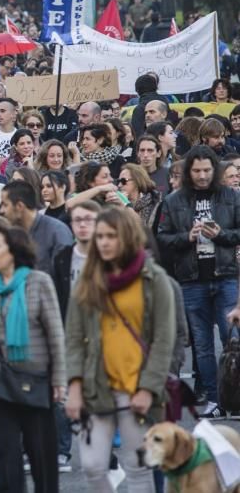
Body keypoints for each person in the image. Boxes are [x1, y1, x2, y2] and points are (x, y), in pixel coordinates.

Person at [66, 207, 176, 492]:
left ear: (126, 237)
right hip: (95, 385)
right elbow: (74, 337)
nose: (103, 242)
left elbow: (165, 339)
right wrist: (74, 387)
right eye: (100, 236)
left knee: (138, 467)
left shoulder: (154, 279)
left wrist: (148, 388)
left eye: (111, 236)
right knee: (92, 465)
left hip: (138, 386)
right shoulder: (89, 279)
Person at [0, 226, 66, 493]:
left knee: (41, 457)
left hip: (36, 380)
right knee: (8, 461)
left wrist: (59, 380)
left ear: (14, 250)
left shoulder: (38, 281)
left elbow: (55, 332)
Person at [155, 145, 240, 418]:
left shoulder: (230, 196)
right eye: (197, 171)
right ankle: (215, 400)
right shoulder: (174, 200)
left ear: (214, 170)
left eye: (207, 170)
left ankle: (234, 397)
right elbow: (162, 238)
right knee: (202, 345)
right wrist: (187, 237)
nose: (202, 176)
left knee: (233, 339)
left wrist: (221, 234)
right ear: (188, 172)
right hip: (192, 280)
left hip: (225, 275)